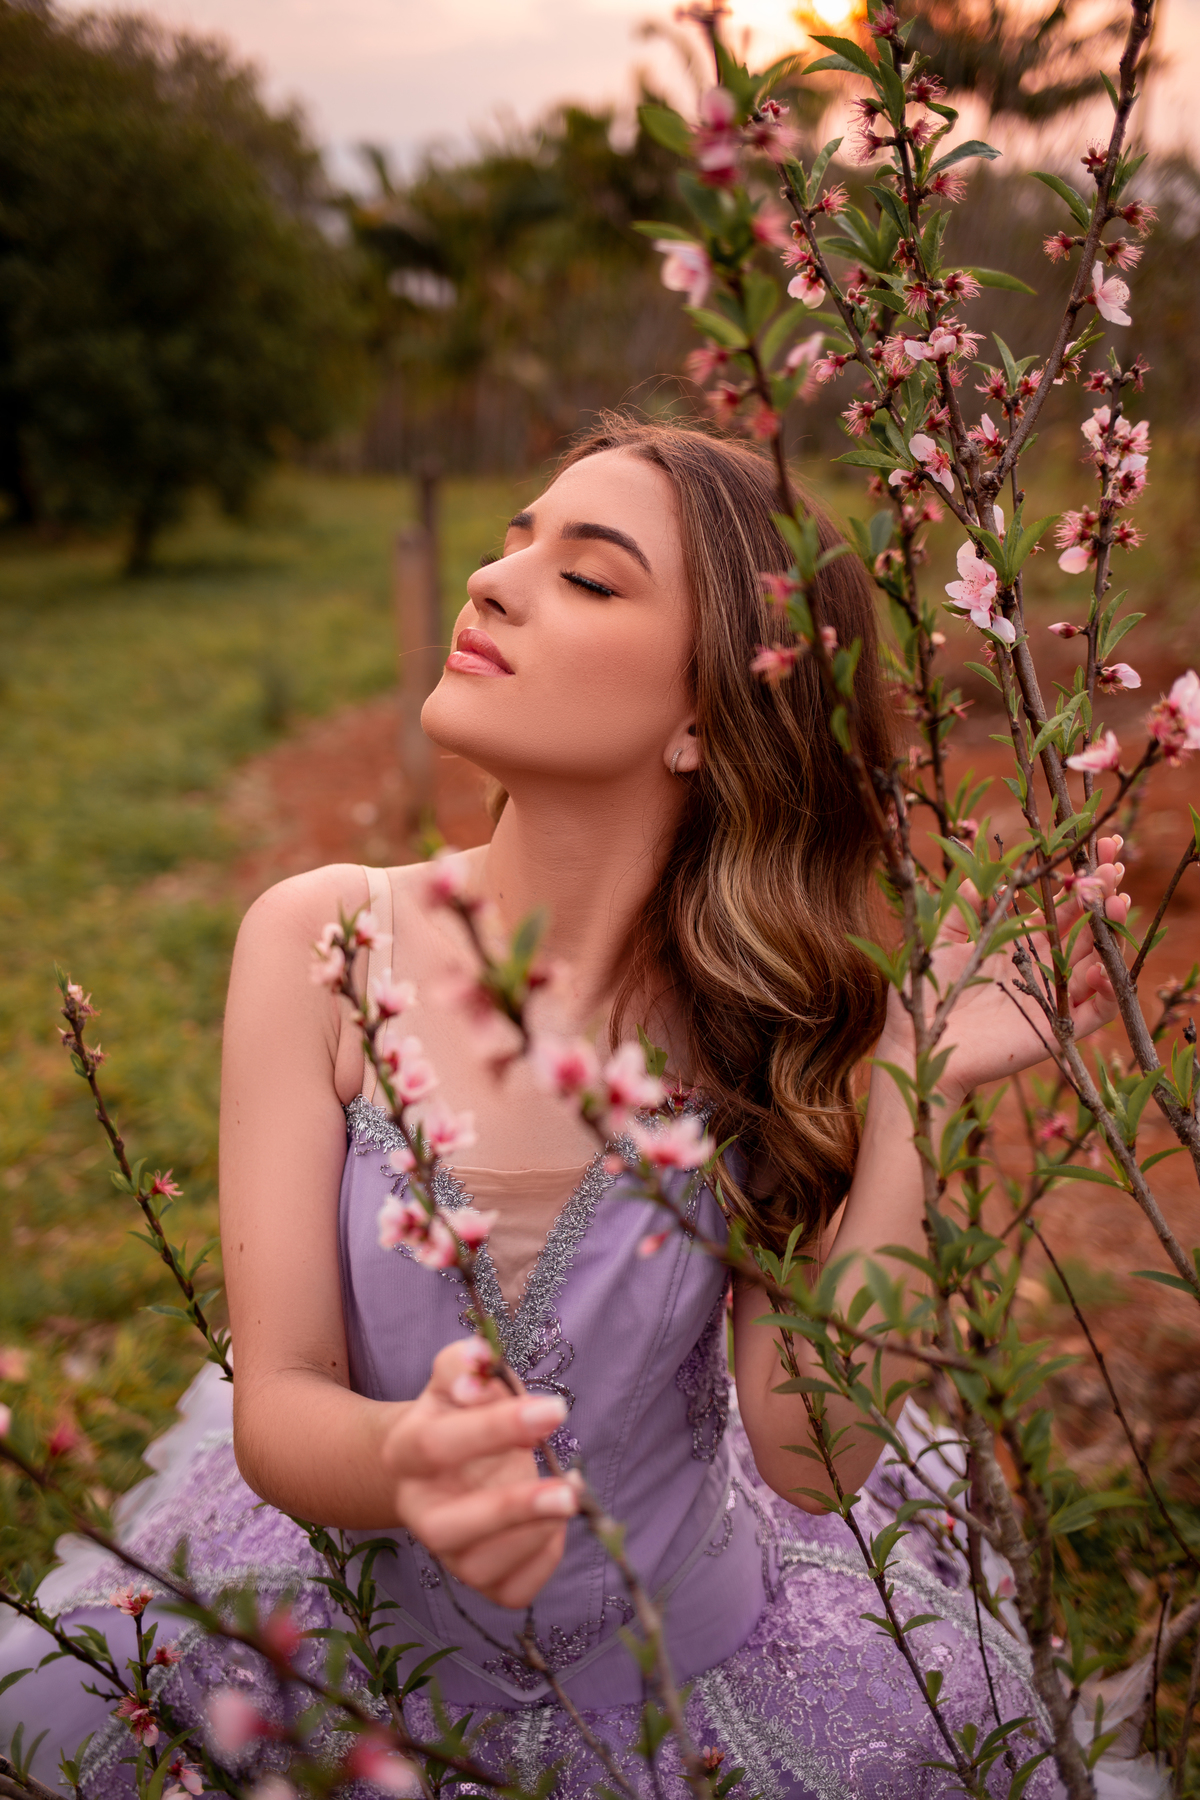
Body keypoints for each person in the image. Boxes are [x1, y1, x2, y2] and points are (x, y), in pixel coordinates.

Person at [0, 418, 1129, 1799]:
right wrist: (403, 1458)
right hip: (352, 1684)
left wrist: (907, 1087)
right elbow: (279, 1396)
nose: (492, 580)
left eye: (588, 576)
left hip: (685, 1697)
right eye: (512, 540)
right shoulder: (322, 942)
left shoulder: (765, 1023)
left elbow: (809, 1451)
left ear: (712, 714)